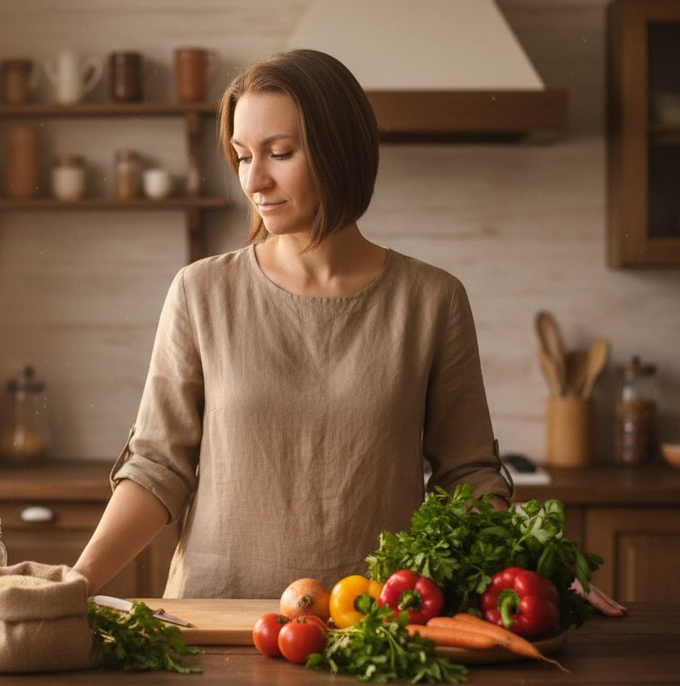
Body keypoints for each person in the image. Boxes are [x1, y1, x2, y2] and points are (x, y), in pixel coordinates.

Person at [73, 49, 626, 618]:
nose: (254, 179)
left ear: (341, 150)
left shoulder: (432, 300)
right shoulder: (201, 292)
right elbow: (157, 467)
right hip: (220, 620)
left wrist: (535, 563)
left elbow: (467, 477)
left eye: (280, 153)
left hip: (381, 624)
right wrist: (77, 580)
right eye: (242, 156)